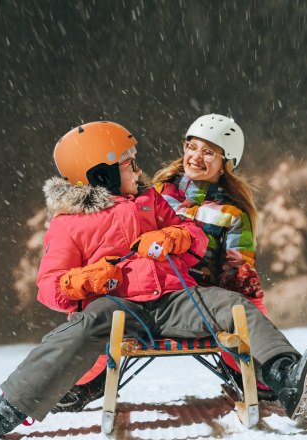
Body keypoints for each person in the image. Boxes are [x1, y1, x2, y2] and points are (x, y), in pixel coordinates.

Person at [0, 121, 307, 440]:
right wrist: (85, 280)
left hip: (174, 300)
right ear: (100, 173)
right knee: (81, 327)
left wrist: (175, 237)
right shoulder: (68, 224)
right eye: (129, 165)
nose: (138, 172)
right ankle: (5, 412)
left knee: (231, 305)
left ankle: (285, 375)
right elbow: (50, 287)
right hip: (118, 307)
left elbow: (194, 234)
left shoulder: (150, 200)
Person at [54, 114, 273, 412]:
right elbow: (114, 235)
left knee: (237, 309)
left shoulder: (231, 214)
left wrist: (253, 347)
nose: (196, 157)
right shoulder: (155, 193)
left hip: (197, 303)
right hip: (141, 293)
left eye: (209, 152)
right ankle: (83, 381)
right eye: (191, 147)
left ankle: (264, 373)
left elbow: (239, 274)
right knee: (100, 316)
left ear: (226, 163)